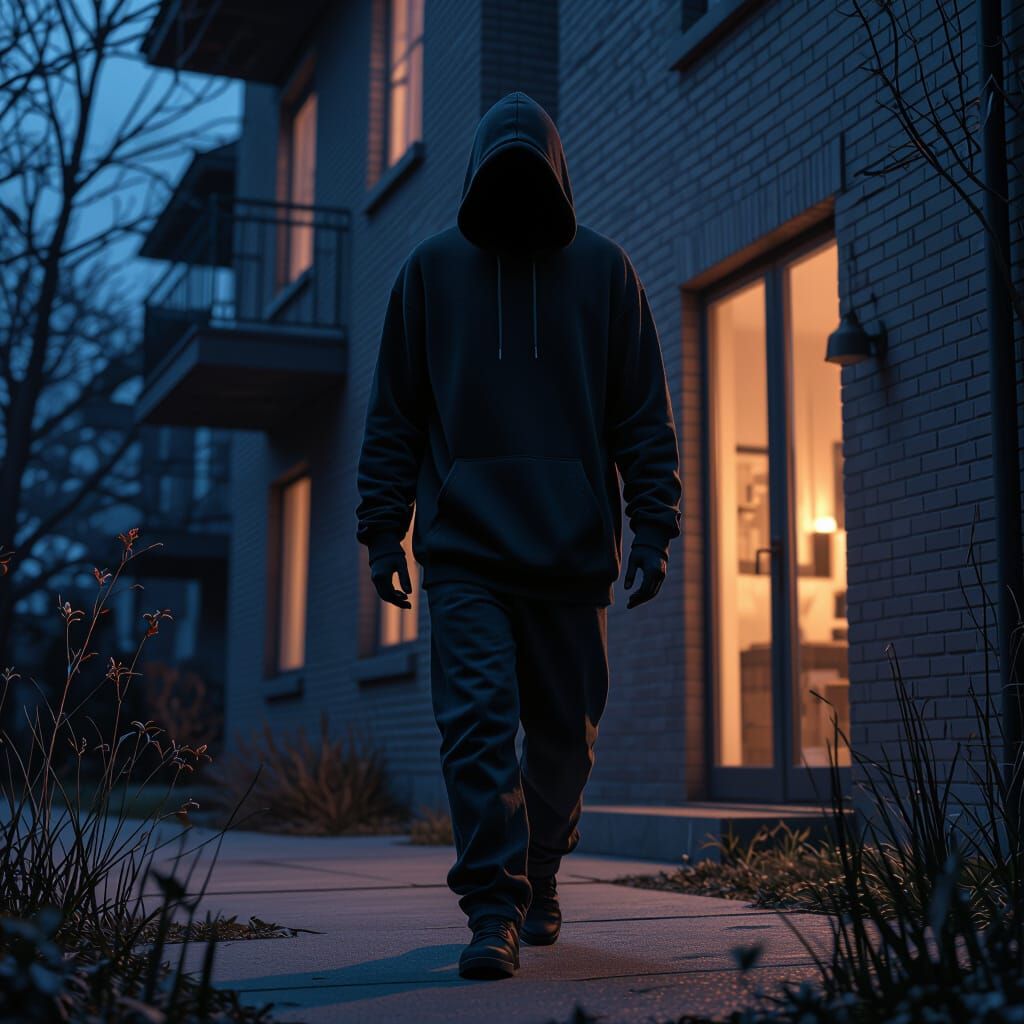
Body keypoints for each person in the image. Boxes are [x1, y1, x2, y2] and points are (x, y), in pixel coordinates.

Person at [355, 91, 681, 980]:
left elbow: (642, 420)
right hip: (465, 556)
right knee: (476, 728)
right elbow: (394, 420)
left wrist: (655, 525)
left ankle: (539, 873)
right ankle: (492, 910)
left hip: (572, 553)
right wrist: (384, 534)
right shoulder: (428, 273)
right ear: (472, 174)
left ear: (557, 173)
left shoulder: (606, 273)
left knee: (564, 741)